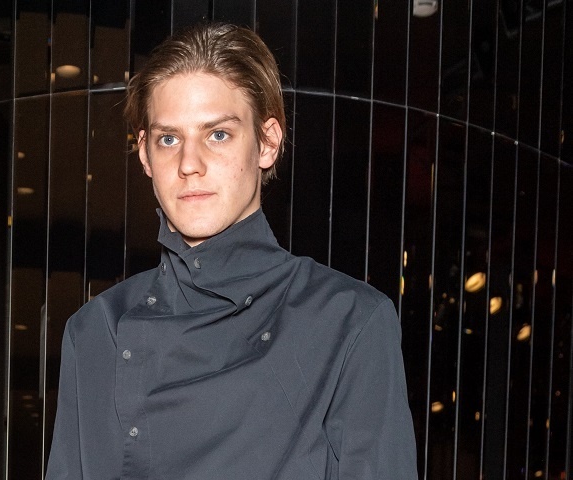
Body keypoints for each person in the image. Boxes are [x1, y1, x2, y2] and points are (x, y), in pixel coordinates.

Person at [46, 23, 418, 479]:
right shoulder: (95, 331)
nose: (189, 164)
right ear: (144, 155)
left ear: (268, 142)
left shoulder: (349, 321)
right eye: (168, 139)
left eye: (218, 134)